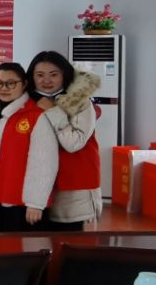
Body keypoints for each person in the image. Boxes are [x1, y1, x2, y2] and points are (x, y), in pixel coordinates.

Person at [0, 62, 58, 232]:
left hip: (21, 202)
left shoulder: (36, 116)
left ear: (24, 84)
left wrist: (36, 203)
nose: (4, 88)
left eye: (11, 83)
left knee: (15, 246)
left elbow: (45, 163)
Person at [29, 51, 102, 231]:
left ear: (64, 75)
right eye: (40, 75)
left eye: (54, 74)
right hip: (38, 186)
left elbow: (74, 143)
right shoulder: (29, 100)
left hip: (73, 186)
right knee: (38, 240)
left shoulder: (81, 102)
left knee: (69, 240)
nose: (46, 81)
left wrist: (53, 111)